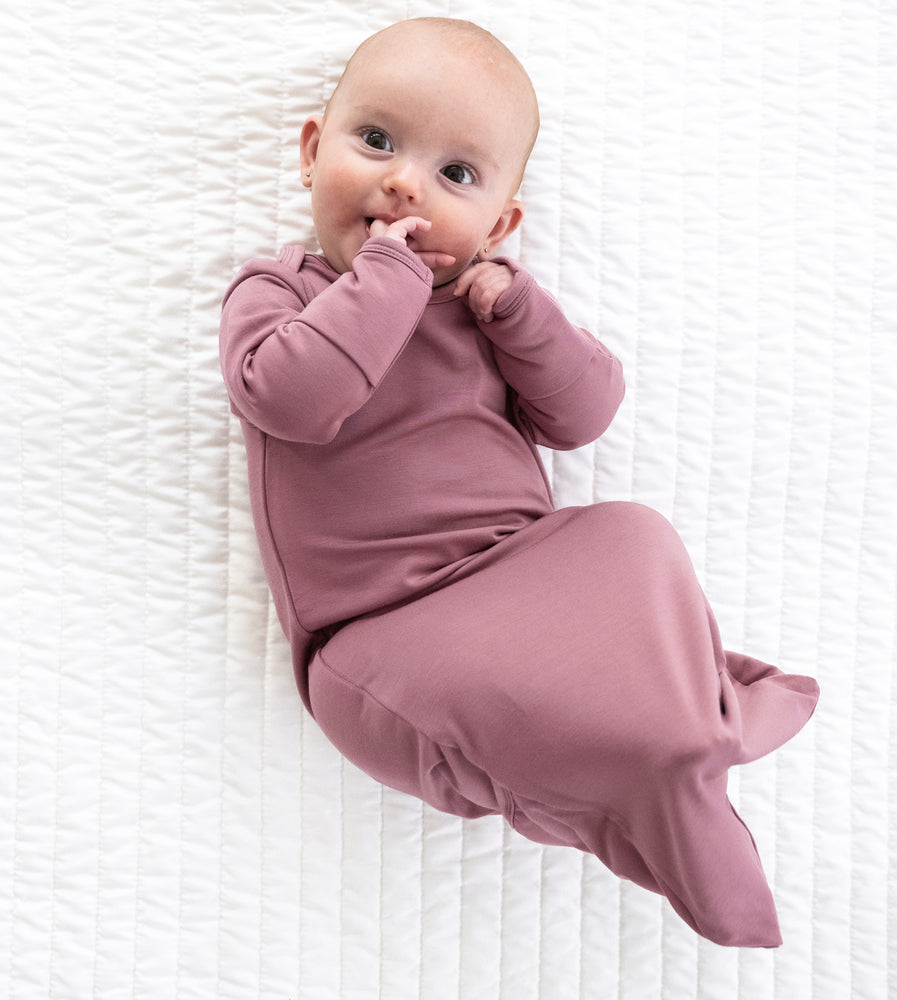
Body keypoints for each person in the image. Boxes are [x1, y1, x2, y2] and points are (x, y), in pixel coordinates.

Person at [219, 16, 819, 948]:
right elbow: (296, 400)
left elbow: (585, 413)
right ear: (311, 151)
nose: (403, 182)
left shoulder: (484, 313)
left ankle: (681, 738)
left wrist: (520, 313)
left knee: (631, 535)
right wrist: (383, 277)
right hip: (378, 639)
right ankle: (674, 770)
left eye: (455, 175)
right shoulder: (282, 293)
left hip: (517, 578)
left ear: (498, 225)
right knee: (520, 731)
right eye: (376, 141)